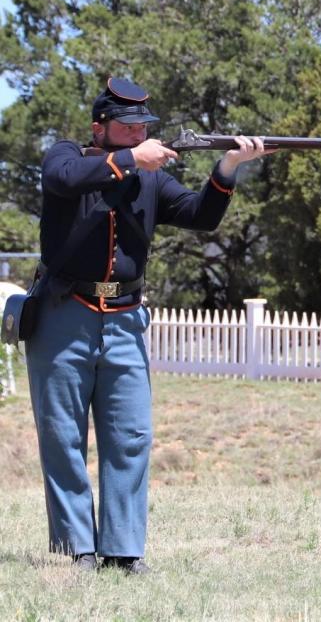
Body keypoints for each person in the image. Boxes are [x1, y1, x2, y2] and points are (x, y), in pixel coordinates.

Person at [25, 77, 272, 574]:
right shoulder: (67, 154)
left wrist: (228, 165)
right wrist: (133, 160)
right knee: (63, 437)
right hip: (64, 311)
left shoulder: (153, 176)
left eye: (144, 126)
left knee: (131, 436)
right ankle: (76, 549)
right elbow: (66, 179)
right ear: (100, 127)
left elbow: (200, 216)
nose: (139, 132)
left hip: (125, 318)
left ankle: (122, 550)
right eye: (128, 124)